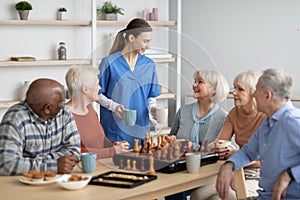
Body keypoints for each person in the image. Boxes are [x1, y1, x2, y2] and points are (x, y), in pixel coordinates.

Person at [216, 68, 300, 200]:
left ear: (267, 95)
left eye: (256, 90)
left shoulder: (292, 121)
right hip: (265, 195)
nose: (253, 95)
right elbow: (248, 152)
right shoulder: (268, 122)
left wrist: (290, 174)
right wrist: (229, 165)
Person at [190, 70, 265, 199]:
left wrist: (237, 155)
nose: (234, 92)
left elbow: (265, 161)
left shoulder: (266, 117)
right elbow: (221, 141)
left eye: (240, 89)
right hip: (239, 171)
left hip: (261, 176)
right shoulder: (234, 113)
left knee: (218, 198)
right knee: (197, 195)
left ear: (254, 93)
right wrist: (217, 147)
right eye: (234, 88)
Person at [165, 69, 230, 200]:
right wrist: (170, 141)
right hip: (179, 170)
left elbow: (220, 151)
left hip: (205, 173)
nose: (194, 85)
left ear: (214, 89)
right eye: (195, 81)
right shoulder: (183, 111)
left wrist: (191, 146)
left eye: (200, 82)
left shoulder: (224, 118)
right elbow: (171, 138)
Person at [98, 18, 160, 148]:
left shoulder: (149, 65)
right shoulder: (109, 63)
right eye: (145, 41)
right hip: (115, 130)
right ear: (131, 38)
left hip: (141, 130)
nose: (148, 46)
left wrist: (152, 109)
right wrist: (113, 107)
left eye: (149, 41)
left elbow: (151, 96)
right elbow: (96, 94)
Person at [0, 78, 80, 175]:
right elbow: (6, 165)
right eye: (61, 103)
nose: (64, 104)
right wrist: (54, 165)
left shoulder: (64, 113)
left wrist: (34, 161)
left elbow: (74, 151)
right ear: (48, 108)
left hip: (57, 181)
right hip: (23, 185)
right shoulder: (14, 119)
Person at [65, 65, 130, 159]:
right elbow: (74, 152)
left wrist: (113, 145)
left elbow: (100, 140)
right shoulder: (65, 116)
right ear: (85, 90)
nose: (99, 88)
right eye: (97, 84)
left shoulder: (90, 109)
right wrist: (112, 151)